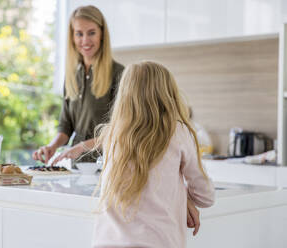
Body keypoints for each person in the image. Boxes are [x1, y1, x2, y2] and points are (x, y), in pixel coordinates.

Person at [92, 61, 215, 248]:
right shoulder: (178, 132)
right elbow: (205, 197)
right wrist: (185, 199)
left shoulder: (112, 134)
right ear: (169, 94)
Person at [32, 5, 124, 164]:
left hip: (107, 164)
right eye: (79, 34)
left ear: (102, 34)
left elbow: (120, 130)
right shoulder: (72, 75)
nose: (85, 40)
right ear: (72, 37)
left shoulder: (119, 74)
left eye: (92, 33)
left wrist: (82, 146)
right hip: (78, 165)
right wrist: (51, 147)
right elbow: (66, 125)